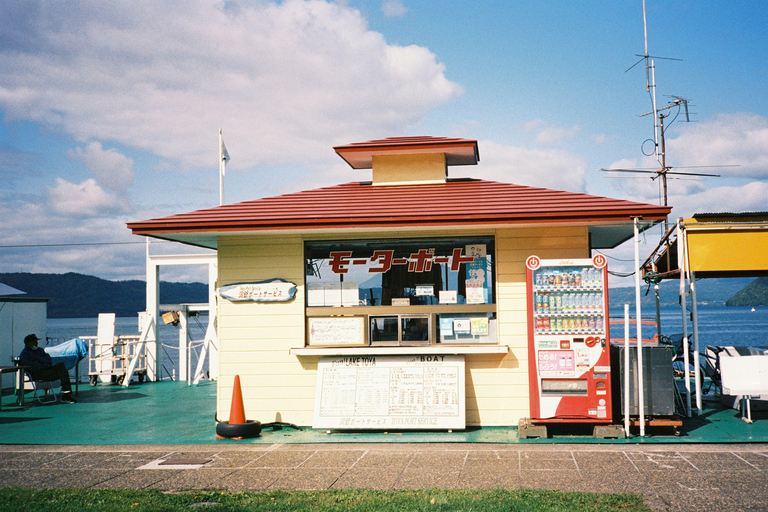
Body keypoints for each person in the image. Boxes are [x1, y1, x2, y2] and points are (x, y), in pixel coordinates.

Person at [18, 334, 77, 403]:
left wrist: (39, 360)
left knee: (61, 366)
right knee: (62, 371)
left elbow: (48, 359)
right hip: (37, 374)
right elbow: (32, 367)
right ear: (28, 343)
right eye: (34, 342)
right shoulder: (25, 354)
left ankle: (65, 391)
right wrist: (44, 365)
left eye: (36, 341)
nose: (37, 343)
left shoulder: (40, 350)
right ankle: (66, 395)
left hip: (46, 370)